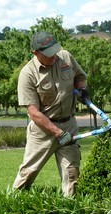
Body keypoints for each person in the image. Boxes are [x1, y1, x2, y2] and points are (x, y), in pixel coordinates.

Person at [13, 31, 89, 196]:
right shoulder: (28, 74)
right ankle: (11, 204)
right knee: (29, 171)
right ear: (35, 53)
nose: (54, 56)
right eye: (48, 54)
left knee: (72, 173)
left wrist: (82, 88)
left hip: (69, 124)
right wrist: (58, 133)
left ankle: (71, 210)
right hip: (43, 130)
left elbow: (80, 77)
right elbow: (33, 112)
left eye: (54, 51)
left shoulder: (65, 57)